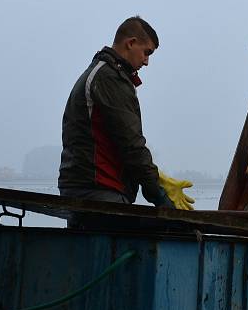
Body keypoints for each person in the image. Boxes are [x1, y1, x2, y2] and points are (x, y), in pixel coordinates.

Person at [59, 16, 192, 225]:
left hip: (83, 191)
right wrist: (158, 195)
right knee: (177, 229)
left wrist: (157, 177)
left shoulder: (100, 74)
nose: (147, 61)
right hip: (99, 192)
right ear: (130, 43)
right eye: (147, 52)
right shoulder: (109, 78)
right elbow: (131, 145)